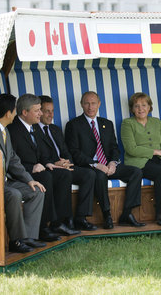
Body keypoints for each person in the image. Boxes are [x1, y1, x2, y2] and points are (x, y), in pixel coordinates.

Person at [64, 91, 145, 229]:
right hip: (90, 166)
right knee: (99, 175)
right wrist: (96, 164)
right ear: (81, 105)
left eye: (94, 103)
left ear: (99, 104)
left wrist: (113, 163)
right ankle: (107, 214)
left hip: (108, 164)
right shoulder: (74, 125)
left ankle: (127, 213)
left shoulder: (106, 123)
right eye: (87, 103)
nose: (90, 107)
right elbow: (75, 153)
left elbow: (114, 148)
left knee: (136, 172)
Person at [0, 94, 46, 253]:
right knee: (14, 194)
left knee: (36, 192)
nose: (16, 113)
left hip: (6, 181)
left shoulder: (4, 130)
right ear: (8, 113)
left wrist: (29, 180)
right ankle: (16, 241)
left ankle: (29, 238)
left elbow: (14, 160)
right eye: (15, 110)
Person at [7, 94, 79, 242]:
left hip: (39, 168)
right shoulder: (13, 130)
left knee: (63, 174)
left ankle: (58, 222)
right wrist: (31, 167)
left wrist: (48, 163)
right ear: (25, 112)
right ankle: (42, 227)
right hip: (22, 174)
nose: (41, 113)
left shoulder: (33, 127)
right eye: (37, 110)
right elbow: (12, 160)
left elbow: (40, 153)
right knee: (46, 177)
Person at [35, 95, 97, 231]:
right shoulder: (34, 130)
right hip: (50, 168)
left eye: (52, 111)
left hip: (65, 166)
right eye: (47, 111)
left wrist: (68, 162)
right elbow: (38, 155)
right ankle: (64, 219)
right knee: (64, 176)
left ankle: (80, 218)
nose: (50, 115)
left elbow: (66, 150)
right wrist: (56, 163)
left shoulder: (55, 129)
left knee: (89, 174)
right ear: (39, 111)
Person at [121, 92, 161, 226]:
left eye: (144, 105)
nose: (140, 109)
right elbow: (131, 149)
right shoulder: (127, 123)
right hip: (138, 161)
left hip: (158, 158)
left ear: (149, 107)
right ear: (132, 109)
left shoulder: (156, 122)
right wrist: (156, 151)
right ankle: (160, 212)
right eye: (136, 106)